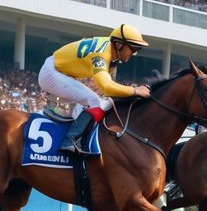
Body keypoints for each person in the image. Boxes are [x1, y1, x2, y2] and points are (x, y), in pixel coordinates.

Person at [39, 23, 151, 154]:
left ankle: (81, 136)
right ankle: (69, 140)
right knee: (95, 101)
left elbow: (106, 91)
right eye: (133, 48)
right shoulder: (101, 55)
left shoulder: (112, 54)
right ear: (119, 44)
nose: (134, 53)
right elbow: (107, 88)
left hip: (62, 72)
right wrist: (135, 90)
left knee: (99, 101)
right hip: (52, 72)